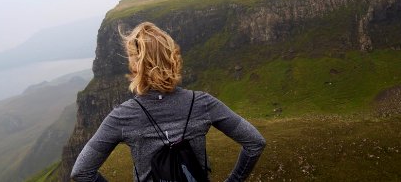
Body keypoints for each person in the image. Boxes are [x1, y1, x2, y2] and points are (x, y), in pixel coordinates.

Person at [71, 22, 266, 182]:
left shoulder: (123, 116)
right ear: (172, 57)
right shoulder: (202, 103)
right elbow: (255, 142)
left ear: (136, 64)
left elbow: (81, 172)